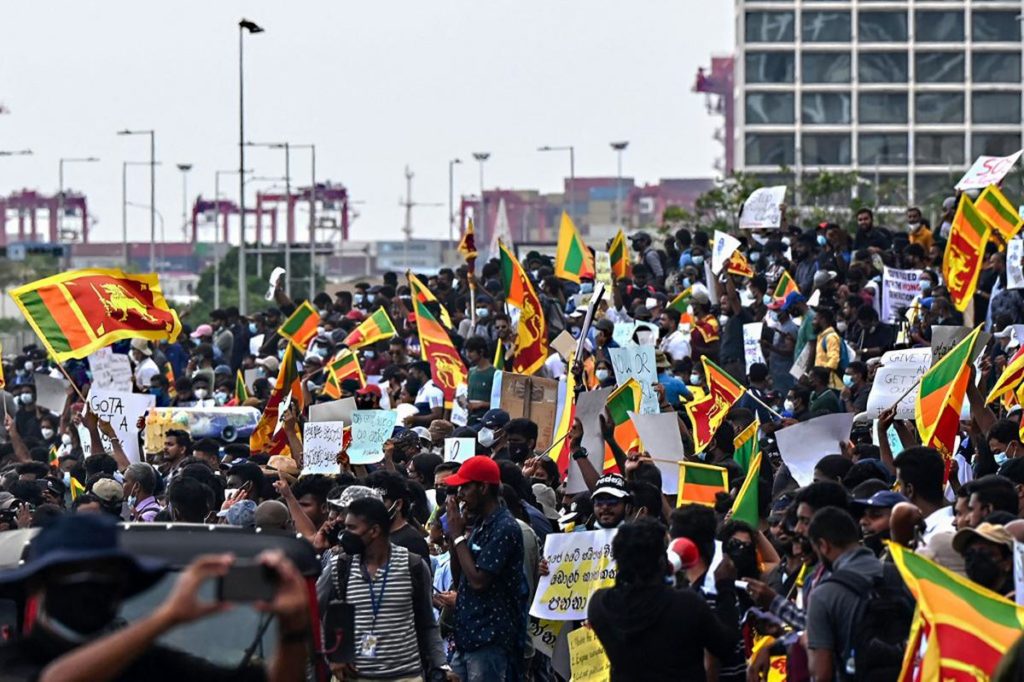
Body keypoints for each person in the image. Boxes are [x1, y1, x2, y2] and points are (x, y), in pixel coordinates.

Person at [0, 514, 311, 681]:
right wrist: (166, 617)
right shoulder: (13, 659)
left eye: (105, 574)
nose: (92, 586)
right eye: (74, 573)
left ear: (123, 586)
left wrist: (291, 628)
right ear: (38, 585)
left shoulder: (149, 663)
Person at [588, 518, 741, 682]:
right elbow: (726, 645)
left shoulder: (599, 604)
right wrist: (726, 587)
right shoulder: (686, 604)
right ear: (662, 561)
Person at [316, 497, 448, 680]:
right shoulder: (340, 566)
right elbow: (313, 612)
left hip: (405, 677)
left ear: (374, 531)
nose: (345, 534)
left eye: (352, 528)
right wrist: (333, 654)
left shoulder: (412, 566)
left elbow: (428, 624)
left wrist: (441, 665)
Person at [805, 506, 913, 681]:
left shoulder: (823, 594)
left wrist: (805, 642)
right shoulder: (903, 575)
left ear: (823, 546)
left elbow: (821, 674)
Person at [443, 456, 526, 681]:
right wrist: (454, 538)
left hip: (489, 638)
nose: (460, 494)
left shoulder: (504, 527)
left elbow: (479, 581)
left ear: (483, 487)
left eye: (465, 487)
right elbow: (461, 575)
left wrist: (459, 536)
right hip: (467, 634)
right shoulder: (480, 523)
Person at [952, 522, 1017, 598]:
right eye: (970, 553)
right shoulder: (959, 598)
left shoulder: (1018, 601)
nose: (976, 559)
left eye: (985, 552)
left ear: (1007, 563)